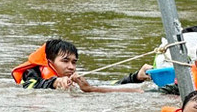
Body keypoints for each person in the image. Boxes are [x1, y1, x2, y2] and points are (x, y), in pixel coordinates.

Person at [11, 38, 151, 92]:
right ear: (50, 62)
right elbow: (29, 86)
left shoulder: (74, 80)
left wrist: (136, 77)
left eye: (74, 62)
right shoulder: (31, 72)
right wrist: (55, 82)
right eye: (65, 61)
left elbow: (110, 84)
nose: (71, 67)